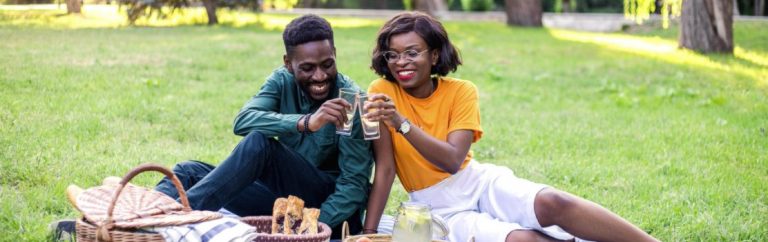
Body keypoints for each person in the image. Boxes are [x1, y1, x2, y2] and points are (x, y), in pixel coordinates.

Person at [361, 12, 659, 242]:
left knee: (553, 202)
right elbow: (386, 169)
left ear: (435, 55)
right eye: (393, 54)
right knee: (521, 239)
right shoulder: (381, 90)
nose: (401, 62)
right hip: (437, 207)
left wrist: (401, 123)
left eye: (413, 52)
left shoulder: (461, 91)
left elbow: (452, 160)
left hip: (474, 180)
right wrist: (368, 232)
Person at [154, 14, 373, 238]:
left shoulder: (352, 101)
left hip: (328, 210)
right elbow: (244, 121)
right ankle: (143, 221)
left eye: (327, 64)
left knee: (260, 144)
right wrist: (306, 122)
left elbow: (354, 186)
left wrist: (310, 227)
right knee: (187, 172)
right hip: (285, 203)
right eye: (307, 68)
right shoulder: (281, 80)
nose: (320, 76)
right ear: (288, 64)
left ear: (335, 54)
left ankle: (182, 219)